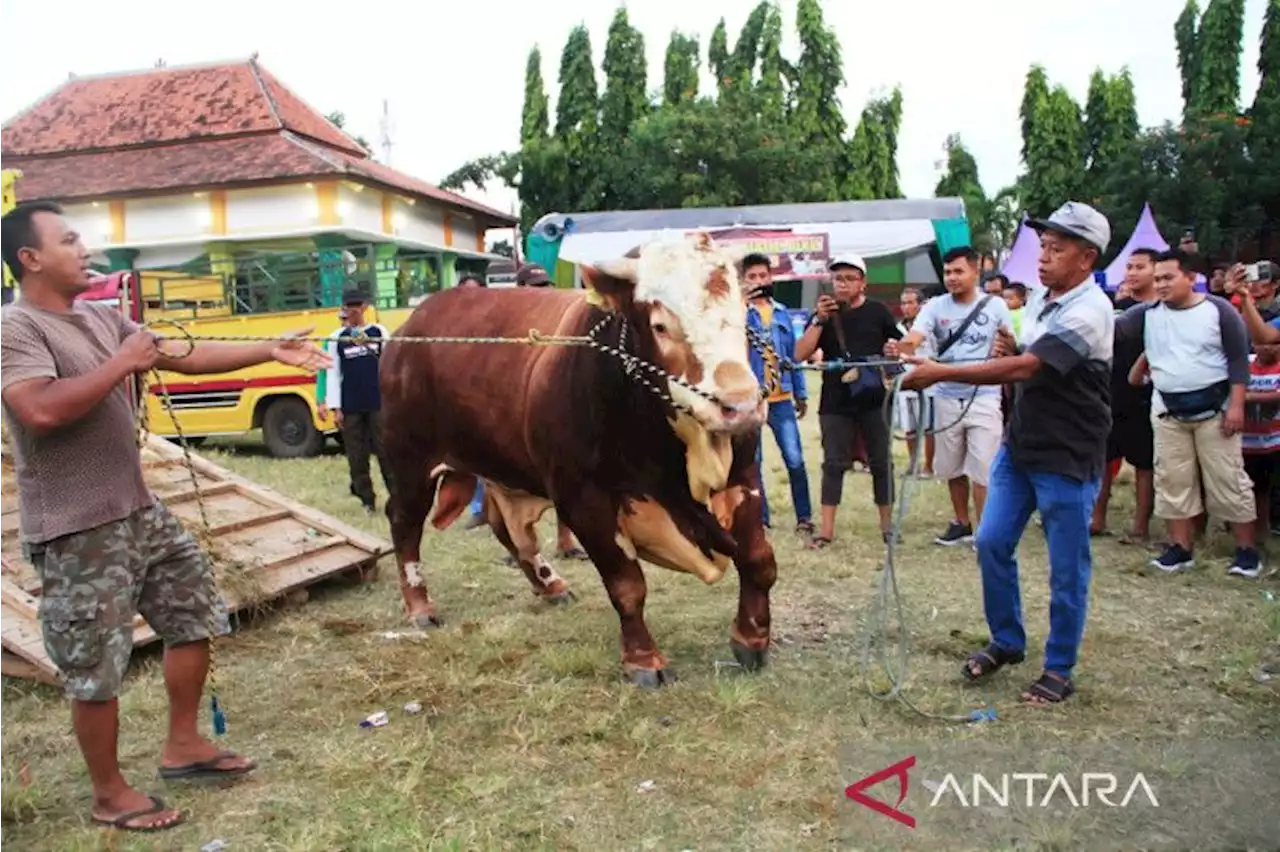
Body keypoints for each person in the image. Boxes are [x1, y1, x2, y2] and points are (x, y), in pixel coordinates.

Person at [0, 201, 331, 831]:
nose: (85, 248)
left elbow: (178, 353)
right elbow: (40, 409)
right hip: (77, 527)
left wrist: (270, 349)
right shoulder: (15, 329)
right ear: (30, 258)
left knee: (195, 611)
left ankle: (184, 746)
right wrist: (123, 364)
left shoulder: (99, 316)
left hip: (136, 509)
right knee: (94, 662)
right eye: (69, 240)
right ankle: (109, 793)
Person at [902, 201, 1116, 704]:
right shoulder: (1043, 299)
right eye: (1042, 246)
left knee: (1067, 567)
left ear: (1086, 258)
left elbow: (1029, 369)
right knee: (992, 542)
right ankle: (1008, 640)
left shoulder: (1091, 309)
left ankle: (1059, 668)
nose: (1042, 257)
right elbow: (1020, 356)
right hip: (1021, 448)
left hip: (1068, 454)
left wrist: (940, 372)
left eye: (1056, 248)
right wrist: (1006, 346)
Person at [1118, 250, 1260, 577]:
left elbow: (1239, 360)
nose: (1162, 285)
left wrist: (1236, 405)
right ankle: (1180, 548)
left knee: (1228, 480)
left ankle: (1246, 551)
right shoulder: (1146, 314)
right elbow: (1111, 331)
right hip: (1168, 410)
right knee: (1172, 481)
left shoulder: (1218, 310)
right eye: (1158, 279)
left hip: (1216, 410)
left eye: (1168, 277)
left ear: (1190, 278)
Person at [888, 246, 1012, 546]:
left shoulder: (995, 306)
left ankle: (986, 532)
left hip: (984, 395)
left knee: (983, 469)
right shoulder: (934, 307)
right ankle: (961, 523)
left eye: (958, 271)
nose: (952, 278)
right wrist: (898, 349)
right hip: (944, 394)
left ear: (974, 272)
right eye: (947, 272)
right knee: (951, 467)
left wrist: (1007, 347)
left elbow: (1009, 343)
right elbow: (913, 340)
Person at [794, 253, 903, 547]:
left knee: (881, 462)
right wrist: (819, 320)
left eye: (849, 278)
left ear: (863, 283)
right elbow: (799, 354)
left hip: (873, 399)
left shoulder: (879, 311)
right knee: (833, 463)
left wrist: (893, 349)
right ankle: (826, 531)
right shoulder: (822, 315)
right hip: (835, 400)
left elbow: (898, 345)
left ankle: (887, 526)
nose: (842, 284)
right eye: (837, 278)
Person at [1091, 248, 1160, 544]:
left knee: (1144, 465)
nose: (1131, 272)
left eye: (1139, 267)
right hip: (1109, 392)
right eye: (1129, 267)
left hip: (1144, 396)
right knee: (1103, 460)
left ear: (1156, 271)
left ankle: (1140, 526)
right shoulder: (1116, 306)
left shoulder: (1162, 310)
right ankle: (1096, 518)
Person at [743, 253, 814, 534]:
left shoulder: (782, 313)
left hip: (782, 398)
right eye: (752, 277)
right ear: (744, 281)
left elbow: (793, 357)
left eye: (763, 276)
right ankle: (761, 519)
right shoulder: (739, 313)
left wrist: (801, 392)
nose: (759, 281)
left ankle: (804, 517)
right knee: (754, 463)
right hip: (752, 400)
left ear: (770, 278)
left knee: (795, 459)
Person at [323, 288, 393, 515]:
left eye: (356, 306)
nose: (352, 310)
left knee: (386, 452)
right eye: (348, 306)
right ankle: (367, 499)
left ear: (364, 307)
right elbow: (333, 374)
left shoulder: (378, 331)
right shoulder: (337, 338)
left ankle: (396, 496)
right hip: (351, 403)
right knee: (356, 454)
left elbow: (391, 364)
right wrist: (336, 407)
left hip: (378, 401)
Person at [1241, 342, 1280, 552]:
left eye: (1275, 344)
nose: (1268, 348)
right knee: (1248, 490)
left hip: (1274, 443)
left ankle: (1262, 534)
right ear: (1254, 344)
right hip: (1245, 443)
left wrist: (1246, 396)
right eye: (1263, 343)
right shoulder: (1244, 364)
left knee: (1265, 490)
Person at [894, 287, 934, 477]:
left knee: (929, 427)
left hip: (929, 381)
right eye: (903, 303)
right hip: (906, 381)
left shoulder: (929, 326)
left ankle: (929, 466)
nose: (906, 307)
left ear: (920, 304)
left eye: (911, 302)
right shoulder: (898, 328)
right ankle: (913, 464)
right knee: (909, 426)